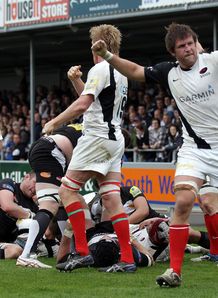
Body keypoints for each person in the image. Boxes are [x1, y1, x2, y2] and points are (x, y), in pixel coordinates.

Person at [91, 22, 218, 286]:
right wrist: (107, 56)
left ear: (197, 43)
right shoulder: (168, 73)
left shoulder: (213, 62)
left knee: (211, 206)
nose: (188, 49)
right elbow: (136, 70)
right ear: (173, 52)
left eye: (190, 43)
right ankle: (174, 272)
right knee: (183, 201)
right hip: (194, 149)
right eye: (181, 46)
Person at [43, 24, 136, 273]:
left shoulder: (100, 67)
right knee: (112, 198)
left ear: (98, 45)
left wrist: (54, 121)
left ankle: (82, 251)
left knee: (67, 191)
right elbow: (96, 100)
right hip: (115, 139)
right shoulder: (121, 70)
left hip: (95, 137)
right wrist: (77, 80)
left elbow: (84, 105)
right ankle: (127, 258)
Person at [16, 124, 82, 268]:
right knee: (51, 204)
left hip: (42, 146)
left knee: (61, 199)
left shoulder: (80, 126)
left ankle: (69, 253)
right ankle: (27, 254)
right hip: (53, 152)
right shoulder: (104, 135)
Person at [0, 172, 37, 247]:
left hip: (7, 241)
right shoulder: (10, 184)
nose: (36, 188)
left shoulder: (34, 206)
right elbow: (7, 206)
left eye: (39, 187)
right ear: (27, 177)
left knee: (17, 251)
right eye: (35, 182)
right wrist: (29, 214)